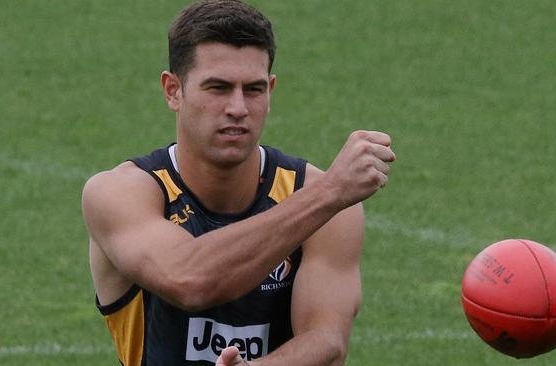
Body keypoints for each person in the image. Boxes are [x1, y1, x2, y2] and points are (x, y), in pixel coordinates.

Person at [81, 1, 395, 365]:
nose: (238, 108)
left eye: (254, 90)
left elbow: (327, 341)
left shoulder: (322, 200)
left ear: (271, 91)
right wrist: (329, 194)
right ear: (173, 90)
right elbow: (189, 279)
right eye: (218, 87)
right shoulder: (120, 193)